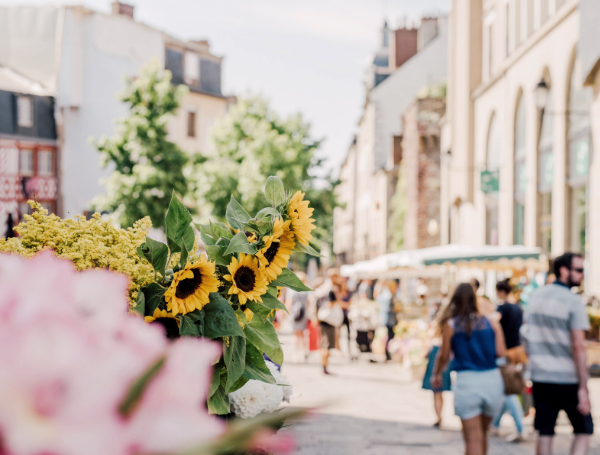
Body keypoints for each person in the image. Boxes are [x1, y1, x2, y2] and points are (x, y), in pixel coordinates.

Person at [523, 253, 593, 455]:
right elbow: (579, 347)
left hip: (540, 376)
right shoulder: (573, 302)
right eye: (578, 270)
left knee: (544, 432)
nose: (582, 275)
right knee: (584, 430)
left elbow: (526, 335)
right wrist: (583, 387)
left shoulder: (536, 297)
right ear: (564, 270)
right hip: (568, 378)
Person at [433, 283, 506, 455]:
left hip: (467, 382)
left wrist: (437, 374)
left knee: (473, 439)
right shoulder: (491, 322)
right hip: (492, 380)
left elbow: (444, 356)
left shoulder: (451, 325)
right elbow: (501, 352)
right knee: (483, 434)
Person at [490, 279, 526, 442]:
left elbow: (493, 320)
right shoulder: (519, 308)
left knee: (509, 391)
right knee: (507, 390)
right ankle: (495, 424)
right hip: (517, 352)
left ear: (500, 292)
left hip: (504, 353)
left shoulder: (502, 308)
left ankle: (521, 428)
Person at [422, 300, 452, 428]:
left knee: (437, 391)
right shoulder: (449, 324)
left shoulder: (441, 325)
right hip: (444, 354)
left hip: (437, 352)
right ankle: (439, 416)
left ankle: (439, 416)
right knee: (439, 390)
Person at [319, 286, 342, 375]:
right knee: (326, 347)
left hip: (327, 324)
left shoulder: (326, 297)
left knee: (325, 346)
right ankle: (324, 366)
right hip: (328, 324)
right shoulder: (330, 298)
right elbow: (330, 305)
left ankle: (325, 366)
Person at [288, 272, 310, 362]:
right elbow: (308, 303)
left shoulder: (292, 289)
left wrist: (287, 314)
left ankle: (295, 353)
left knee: (295, 335)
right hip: (303, 314)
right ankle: (303, 353)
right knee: (302, 334)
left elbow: (289, 303)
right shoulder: (306, 289)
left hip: (294, 314)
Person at [376, 280, 400, 361]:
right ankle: (387, 353)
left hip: (385, 318)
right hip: (389, 319)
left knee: (387, 336)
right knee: (389, 337)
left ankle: (386, 353)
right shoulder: (389, 295)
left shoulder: (384, 294)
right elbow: (390, 308)